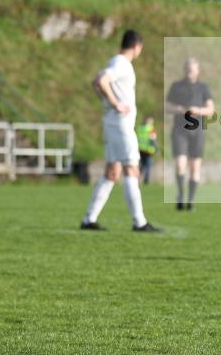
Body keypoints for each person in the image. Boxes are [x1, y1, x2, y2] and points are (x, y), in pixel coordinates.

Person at [81, 30, 160, 232]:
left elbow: (96, 82)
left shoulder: (114, 61)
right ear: (137, 46)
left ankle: (89, 219)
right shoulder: (121, 63)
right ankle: (139, 222)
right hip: (121, 125)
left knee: (112, 172)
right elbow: (101, 81)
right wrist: (115, 103)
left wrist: (107, 102)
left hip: (112, 123)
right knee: (131, 169)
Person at [166, 59, 214, 211]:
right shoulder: (176, 86)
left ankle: (191, 201)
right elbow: (166, 106)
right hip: (180, 130)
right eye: (187, 69)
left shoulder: (203, 88)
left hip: (198, 131)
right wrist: (179, 109)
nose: (189, 72)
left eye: (192, 69)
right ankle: (180, 195)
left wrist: (197, 110)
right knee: (180, 164)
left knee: (195, 167)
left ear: (197, 71)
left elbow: (210, 109)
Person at [136, 116, 157, 185]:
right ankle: (146, 181)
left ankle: (138, 178)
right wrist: (156, 148)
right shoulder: (151, 129)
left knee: (141, 166)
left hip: (140, 149)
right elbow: (153, 139)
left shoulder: (139, 128)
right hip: (148, 150)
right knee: (148, 166)